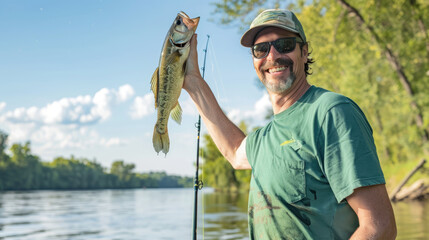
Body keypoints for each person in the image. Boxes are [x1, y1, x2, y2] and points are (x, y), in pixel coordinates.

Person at [183, 9, 397, 240]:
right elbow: (235, 151)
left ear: (304, 52)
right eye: (261, 49)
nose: (272, 56)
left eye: (284, 45)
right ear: (254, 60)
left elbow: (379, 227)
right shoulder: (265, 137)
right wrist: (193, 83)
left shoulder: (331, 112)